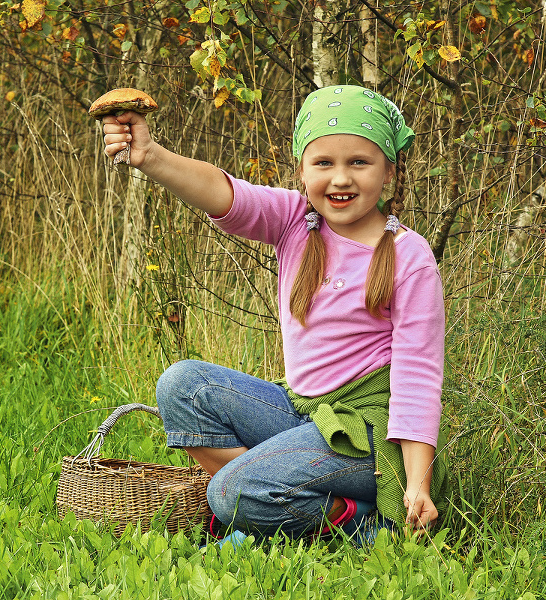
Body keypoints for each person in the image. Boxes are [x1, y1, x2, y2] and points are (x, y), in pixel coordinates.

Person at [100, 85, 448, 543]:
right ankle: (277, 500)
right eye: (323, 163)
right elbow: (221, 193)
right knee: (183, 386)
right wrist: (150, 156)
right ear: (302, 171)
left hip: (368, 437)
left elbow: (418, 376)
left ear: (388, 172)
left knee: (229, 493)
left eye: (359, 163)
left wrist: (419, 483)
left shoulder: (409, 255)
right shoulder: (293, 221)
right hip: (302, 412)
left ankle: (363, 524)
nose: (340, 179)